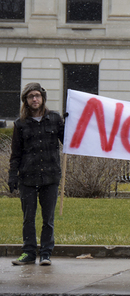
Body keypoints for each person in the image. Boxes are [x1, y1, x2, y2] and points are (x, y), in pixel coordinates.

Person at [9, 83, 65, 266]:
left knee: (48, 219)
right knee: (28, 218)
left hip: (51, 177)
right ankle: (29, 253)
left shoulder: (55, 119)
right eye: (31, 96)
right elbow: (16, 154)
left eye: (38, 96)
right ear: (26, 100)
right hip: (28, 177)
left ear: (43, 98)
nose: (35, 99)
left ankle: (46, 253)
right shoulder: (20, 124)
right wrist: (12, 175)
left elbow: (68, 140)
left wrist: (71, 123)